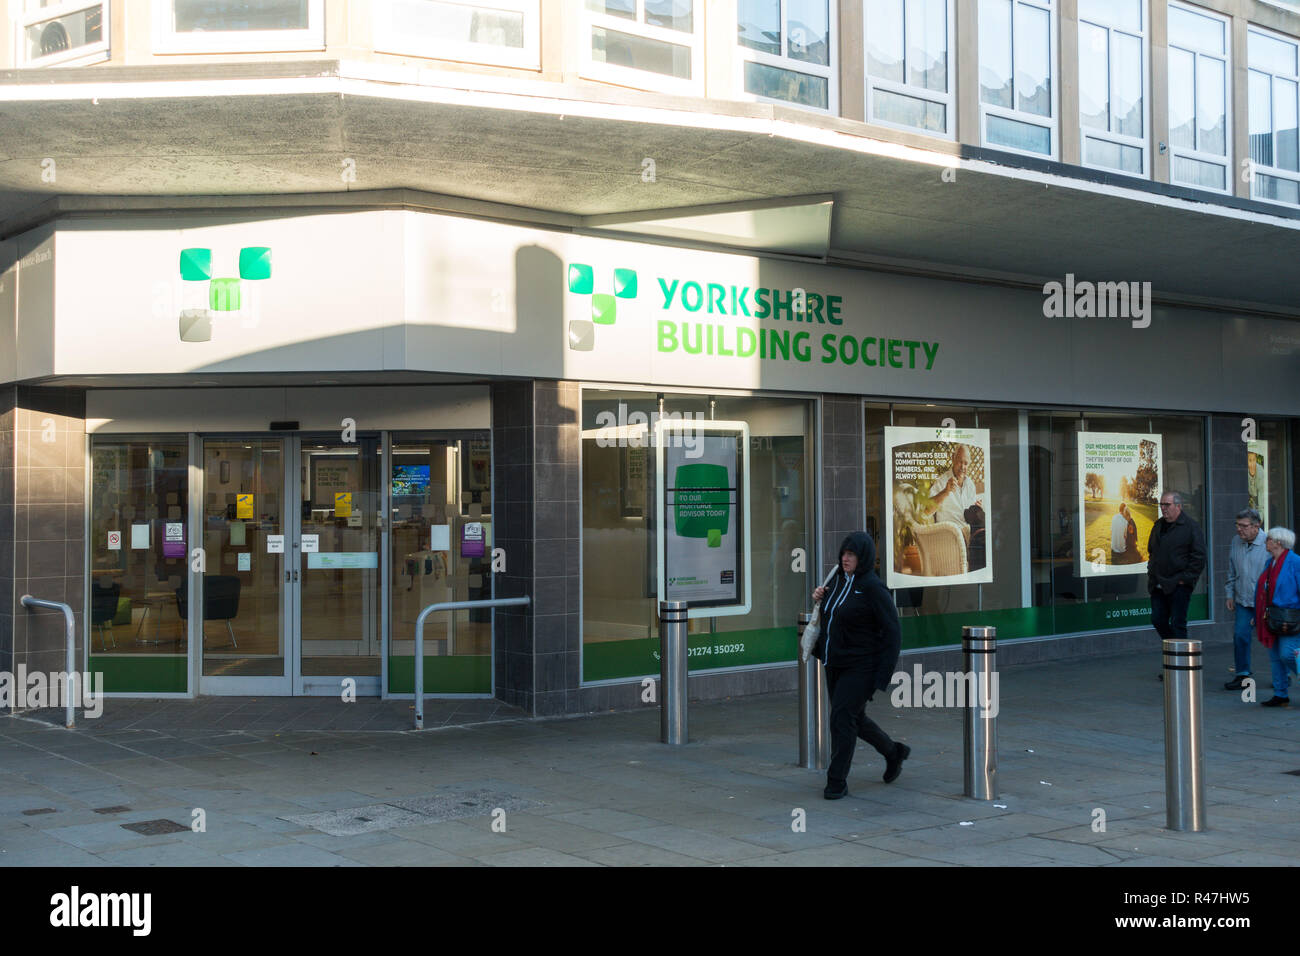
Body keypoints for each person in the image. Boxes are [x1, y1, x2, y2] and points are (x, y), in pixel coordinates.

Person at [811, 531, 908, 799]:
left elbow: (892, 633)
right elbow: (832, 616)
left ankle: (836, 781)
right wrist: (820, 598)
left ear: (863, 557)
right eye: (844, 553)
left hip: (862, 666)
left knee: (841, 719)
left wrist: (882, 676)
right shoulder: (838, 580)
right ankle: (893, 752)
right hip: (834, 662)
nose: (845, 558)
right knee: (853, 717)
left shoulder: (873, 587)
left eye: (851, 554)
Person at [1148, 491, 1206, 680]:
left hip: (1179, 585)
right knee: (1158, 619)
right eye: (1161, 504)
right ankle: (1174, 657)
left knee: (1178, 624)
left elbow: (1199, 557)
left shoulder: (1190, 527)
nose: (1163, 508)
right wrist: (1152, 572)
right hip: (1159, 584)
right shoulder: (1158, 525)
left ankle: (1180, 668)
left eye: (1167, 505)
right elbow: (1152, 551)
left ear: (1178, 506)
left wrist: (1184, 579)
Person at [1224, 509, 1269, 690]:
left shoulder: (1269, 543)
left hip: (1266, 602)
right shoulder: (1236, 541)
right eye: (1237, 525)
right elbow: (1231, 570)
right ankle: (1242, 675)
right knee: (1240, 636)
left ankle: (1283, 676)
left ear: (1256, 526)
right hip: (1243, 600)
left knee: (1274, 640)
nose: (1239, 529)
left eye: (1243, 526)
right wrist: (1229, 594)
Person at [1256, 527, 1300, 707]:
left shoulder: (1295, 562)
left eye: (1269, 539)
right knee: (1275, 656)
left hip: (1291, 617)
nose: (1266, 542)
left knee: (1287, 654)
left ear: (1278, 543)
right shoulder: (1270, 563)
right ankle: (1280, 693)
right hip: (1272, 616)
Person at [931, 444, 980, 525]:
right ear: (953, 458)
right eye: (960, 462)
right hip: (949, 530)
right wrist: (945, 492)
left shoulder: (970, 484)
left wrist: (977, 510)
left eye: (966, 463)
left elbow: (970, 515)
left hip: (968, 529)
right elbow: (926, 509)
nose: (962, 467)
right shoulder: (942, 481)